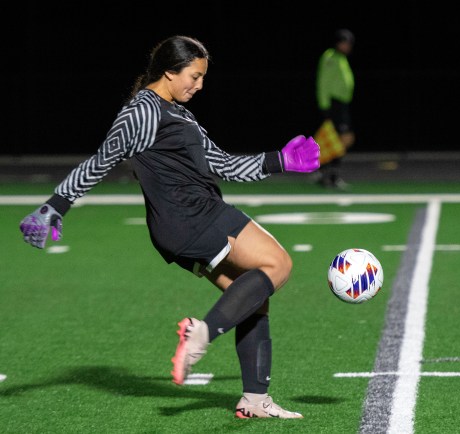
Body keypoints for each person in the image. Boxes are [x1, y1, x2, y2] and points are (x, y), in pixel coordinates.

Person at [18, 35, 319, 419]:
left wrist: (280, 161)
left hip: (179, 227)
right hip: (194, 215)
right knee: (279, 263)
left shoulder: (179, 114)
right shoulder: (143, 112)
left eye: (203, 77)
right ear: (168, 70)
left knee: (251, 297)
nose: (199, 85)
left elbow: (221, 165)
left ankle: (255, 399)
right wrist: (55, 206)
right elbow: (101, 160)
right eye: (194, 76)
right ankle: (203, 333)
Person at [315, 28, 356, 190]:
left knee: (339, 139)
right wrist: (325, 108)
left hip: (341, 104)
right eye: (344, 43)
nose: (347, 46)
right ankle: (330, 175)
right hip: (334, 104)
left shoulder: (340, 58)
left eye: (349, 44)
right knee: (341, 139)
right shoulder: (330, 57)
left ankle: (325, 172)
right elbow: (323, 83)